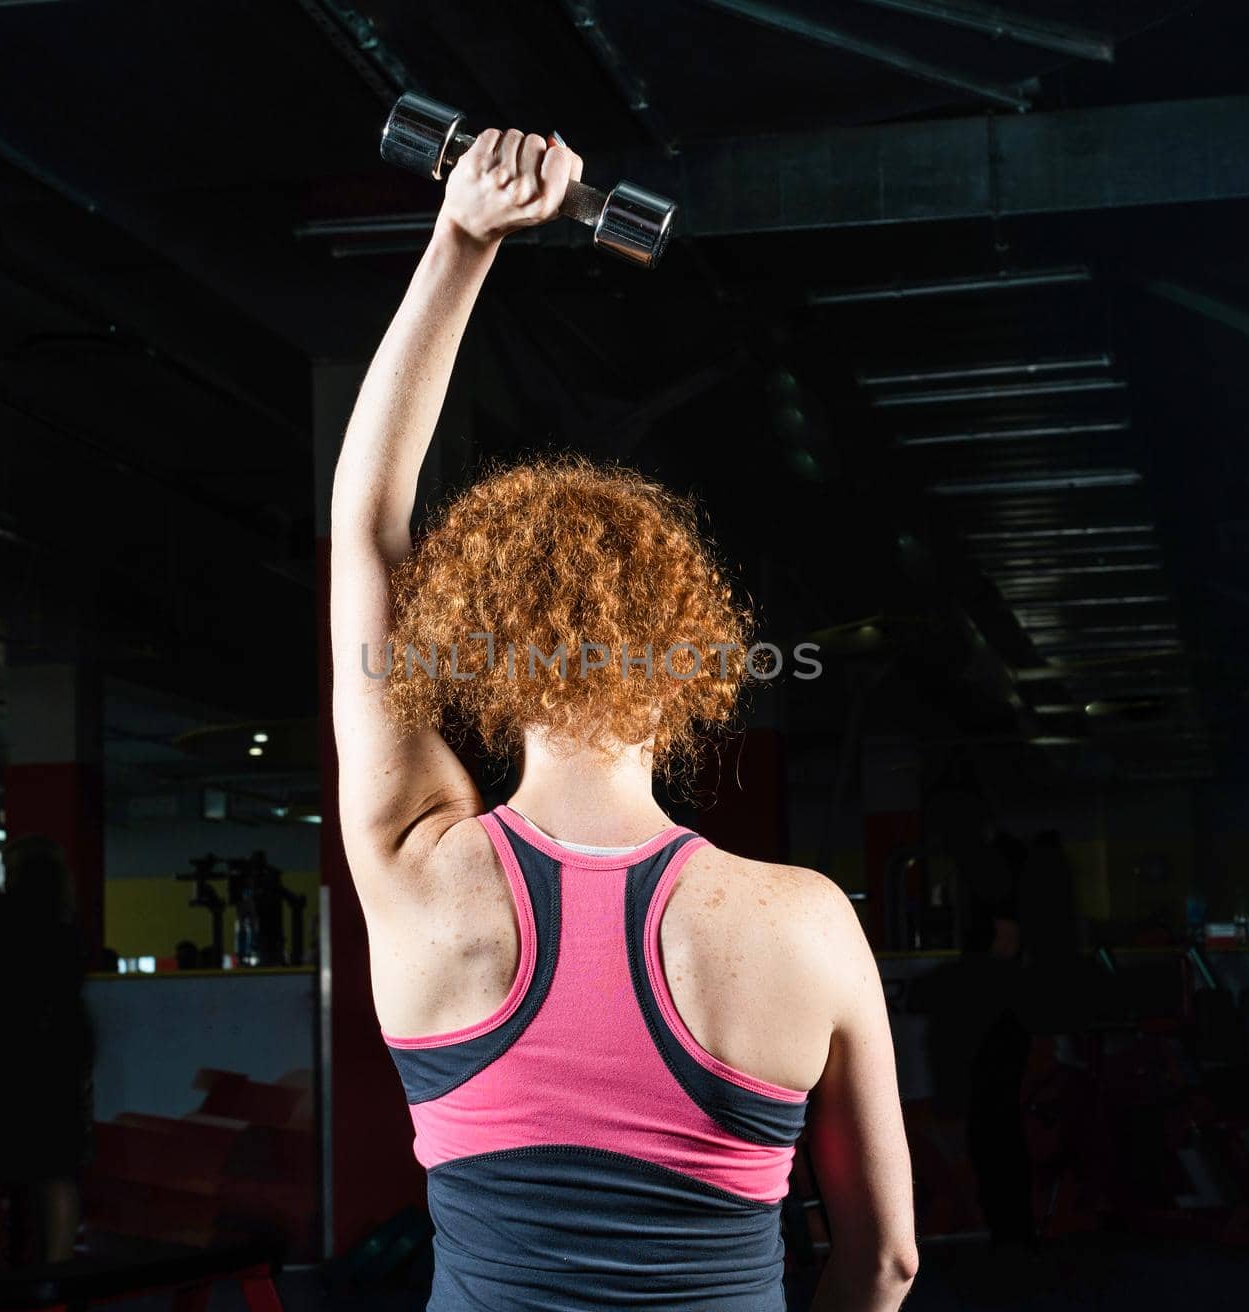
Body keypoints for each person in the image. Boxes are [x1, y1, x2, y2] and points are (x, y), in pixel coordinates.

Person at [331, 127, 917, 1310]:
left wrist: (459, 239)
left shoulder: (418, 872)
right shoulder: (806, 926)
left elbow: (369, 531)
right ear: (694, 661)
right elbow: (888, 1260)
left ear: (486, 664)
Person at [0, 835, 95, 1264]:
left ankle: (29, 1261)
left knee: (24, 1166)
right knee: (58, 1168)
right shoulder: (67, 930)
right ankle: (56, 1264)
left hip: (18, 1057)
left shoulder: (2, 923)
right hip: (62, 1054)